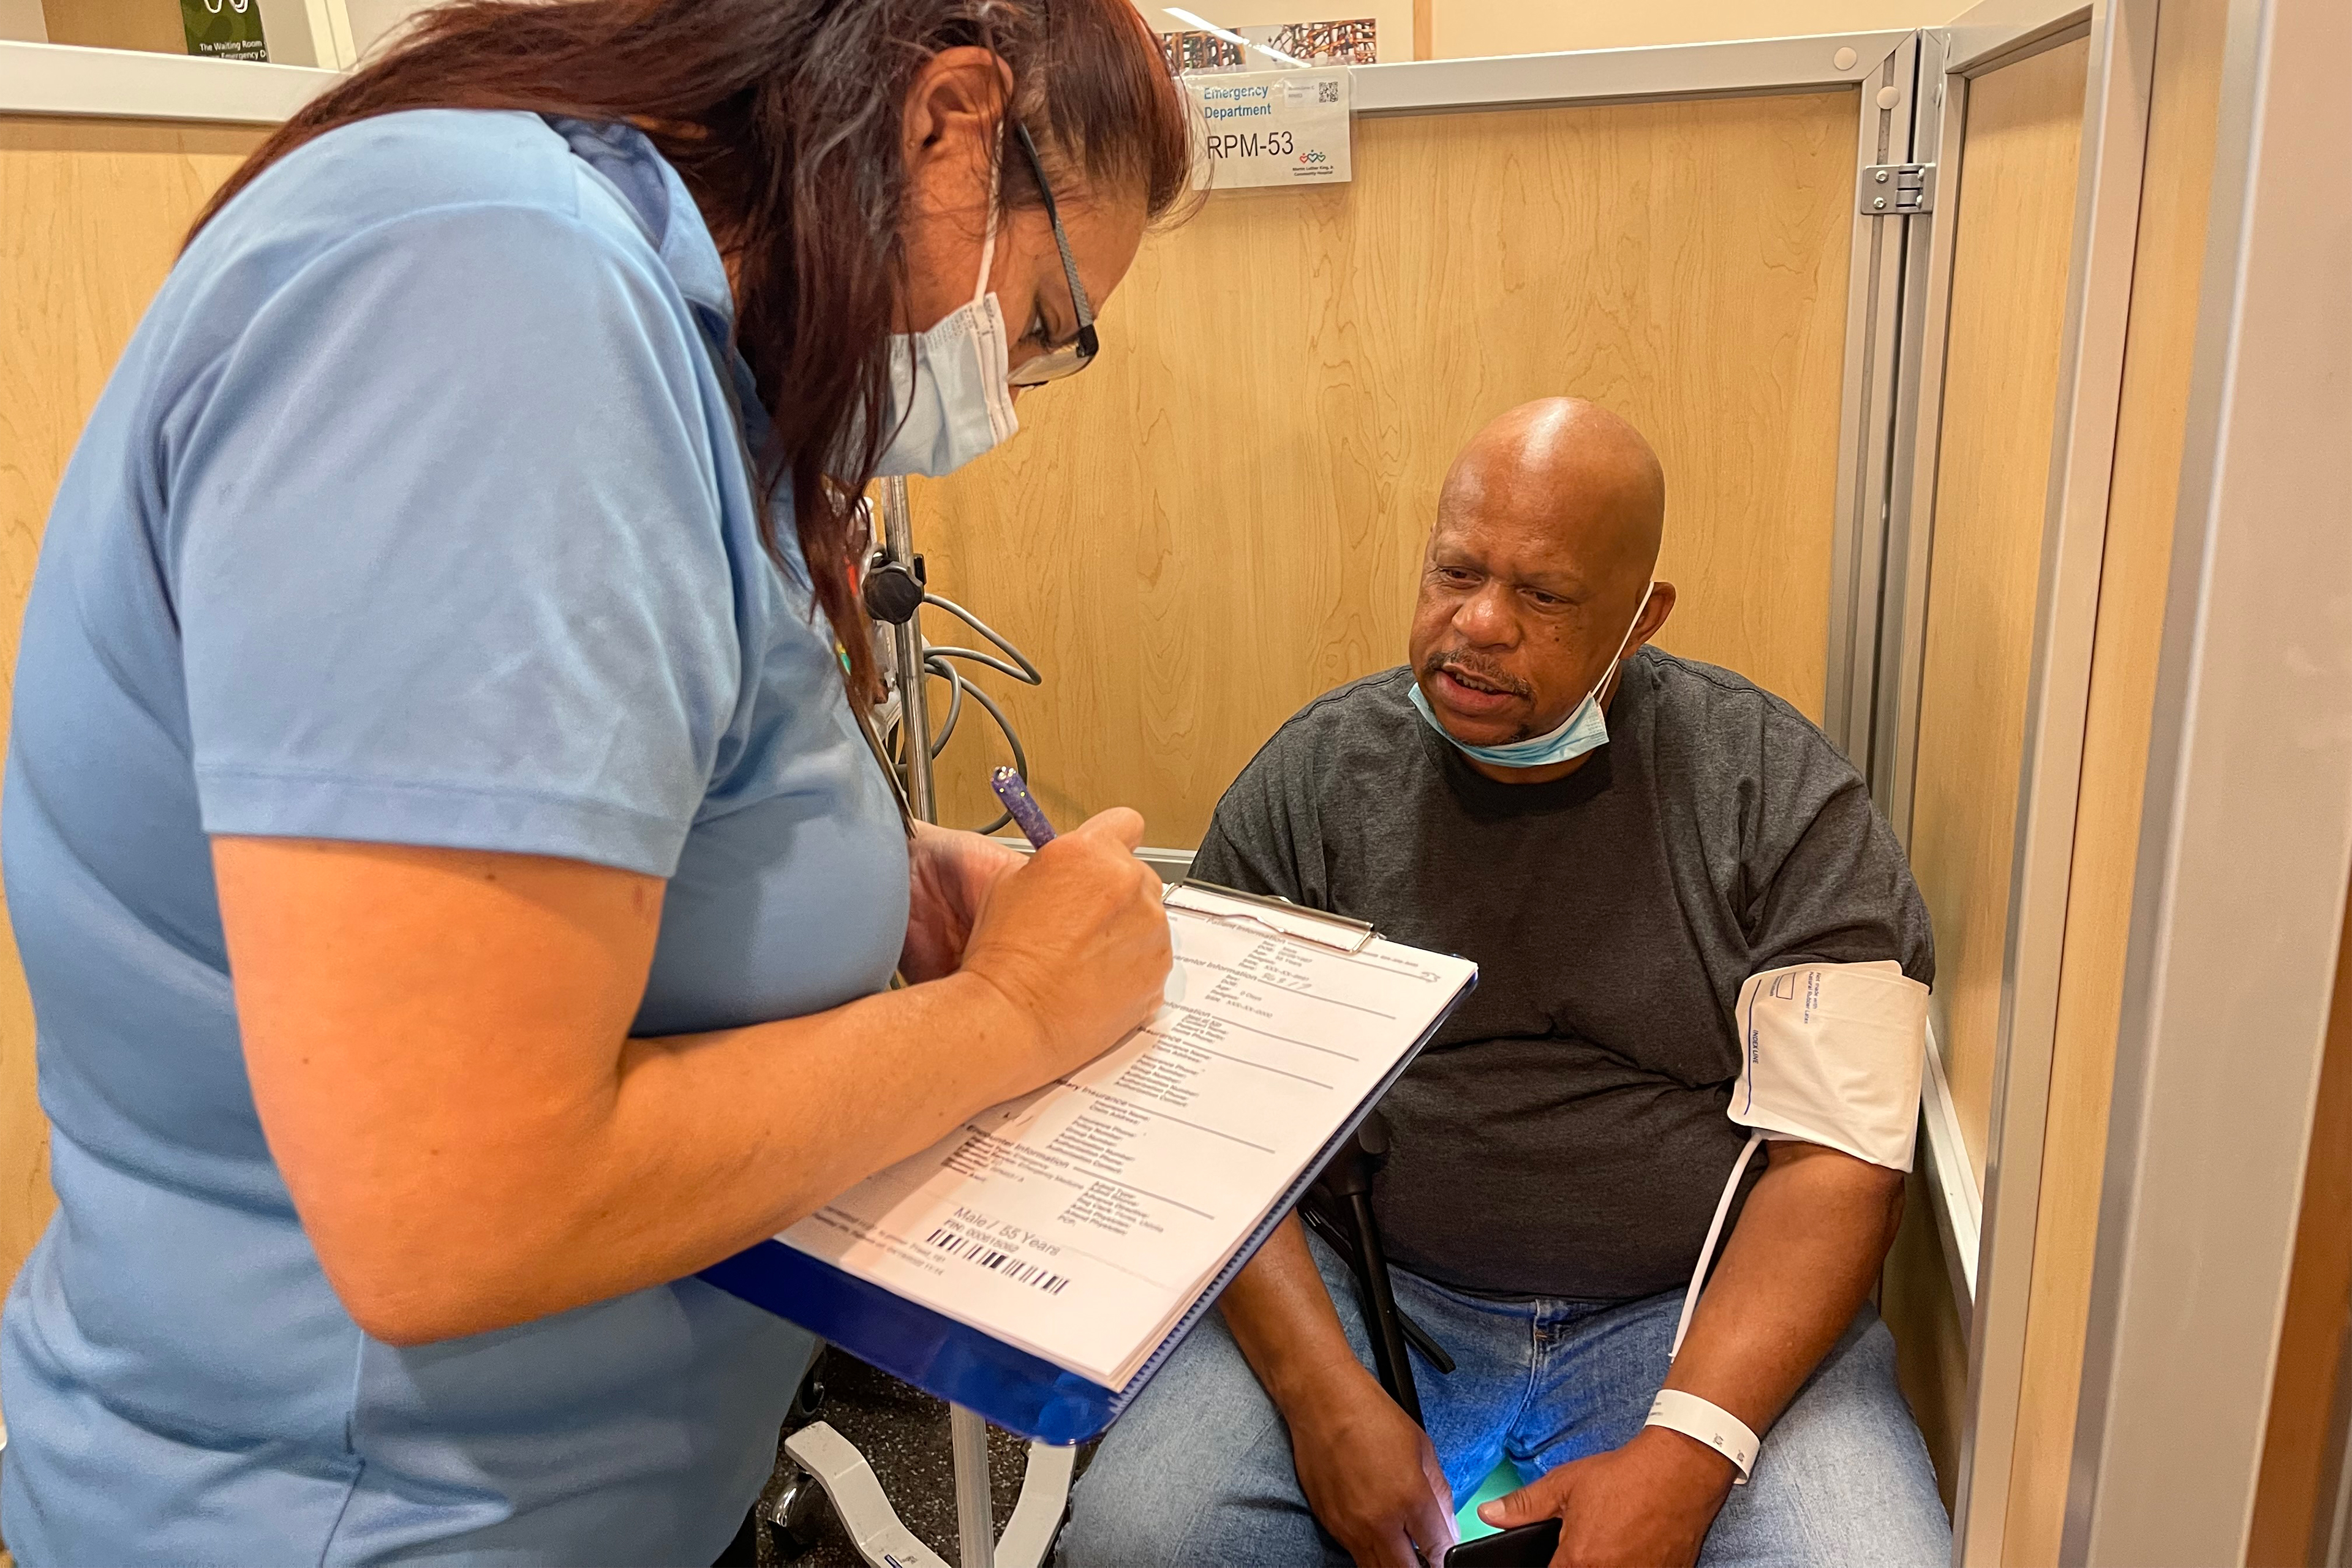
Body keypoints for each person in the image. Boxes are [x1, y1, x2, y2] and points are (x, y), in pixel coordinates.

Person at [0, 2, 1190, 1562]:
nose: (1011, 395)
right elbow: (454, 1203)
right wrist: (1011, 1014)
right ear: (946, 124)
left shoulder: (655, 328)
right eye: (1039, 322)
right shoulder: (496, 293)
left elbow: (575, 798)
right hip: (354, 1511)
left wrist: (865, 871)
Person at [1062, 398, 1951, 1568]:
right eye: (1455, 572)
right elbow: (1218, 1121)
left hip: (1686, 1310)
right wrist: (1323, 1399)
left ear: (1642, 621)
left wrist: (1688, 1451)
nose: (1477, 624)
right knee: (1147, 1538)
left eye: (1543, 596)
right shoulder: (1316, 781)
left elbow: (1839, 1166)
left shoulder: (1774, 797)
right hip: (1377, 1294)